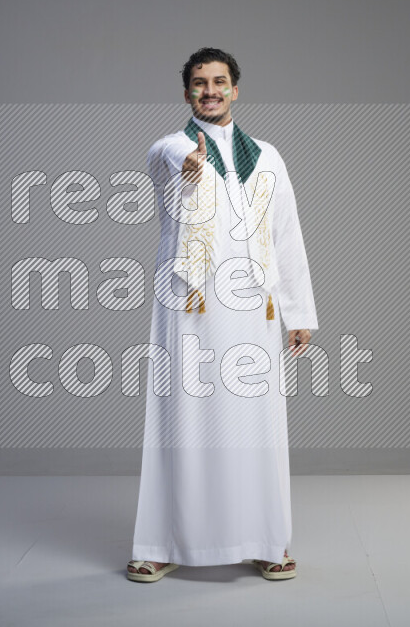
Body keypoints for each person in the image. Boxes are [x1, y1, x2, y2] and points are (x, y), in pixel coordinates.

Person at [127, 48, 318, 582]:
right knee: (181, 420)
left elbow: (286, 235)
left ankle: (264, 539)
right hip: (191, 304)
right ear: (186, 93)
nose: (209, 90)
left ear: (236, 89)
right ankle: (162, 541)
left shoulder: (269, 157)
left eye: (219, 82)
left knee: (255, 425)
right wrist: (188, 168)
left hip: (254, 309)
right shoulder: (172, 147)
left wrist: (298, 313)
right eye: (198, 83)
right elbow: (164, 169)